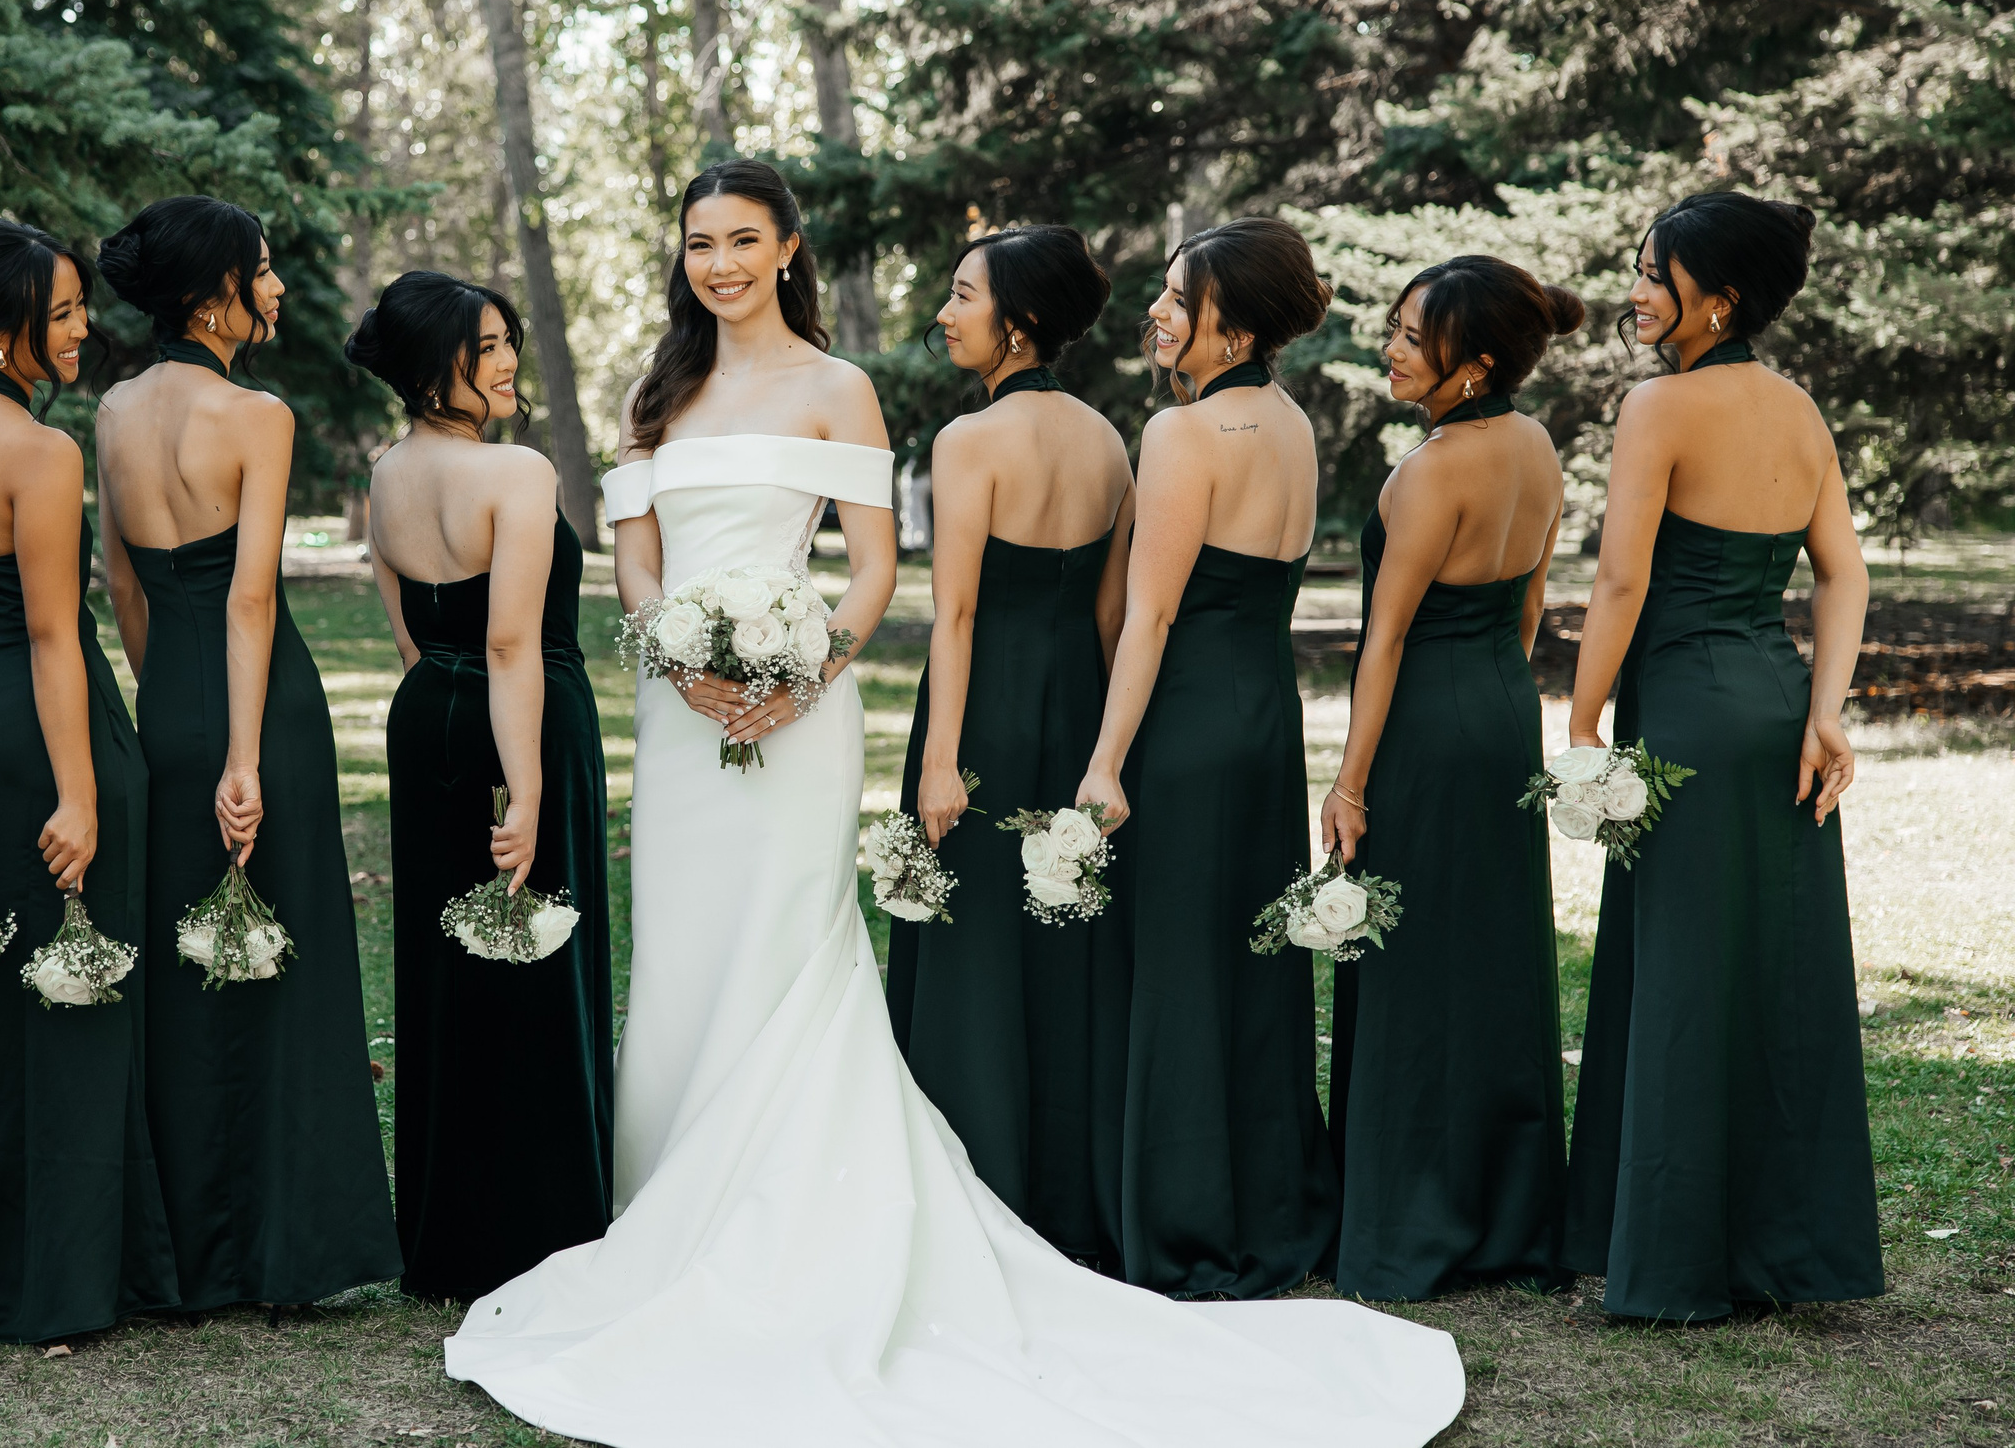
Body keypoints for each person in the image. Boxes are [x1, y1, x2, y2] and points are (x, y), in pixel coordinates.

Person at [444, 164, 1464, 1446]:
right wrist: (682, 660)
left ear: (788, 249)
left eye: (744, 241)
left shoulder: (841, 388)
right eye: (700, 243)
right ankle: (666, 1212)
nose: (719, 264)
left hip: (799, 710)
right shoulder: (657, 390)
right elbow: (636, 555)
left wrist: (800, 672)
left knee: (790, 955)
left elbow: (873, 571)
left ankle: (805, 1224)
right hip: (679, 714)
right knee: (683, 960)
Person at [1560, 191, 1881, 1321]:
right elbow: (1843, 572)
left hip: (1686, 715)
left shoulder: (1658, 407)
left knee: (1686, 979)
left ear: (1719, 299)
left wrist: (1583, 715)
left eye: (1657, 273)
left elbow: (1620, 580)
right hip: (1775, 706)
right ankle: (1785, 1248)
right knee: (1774, 979)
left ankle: (1676, 1257)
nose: (1638, 290)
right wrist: (1826, 712)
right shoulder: (1800, 413)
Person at [94, 196, 400, 1317]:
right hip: (259, 710)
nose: (275, 287)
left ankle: (187, 1250)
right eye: (263, 271)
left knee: (183, 971)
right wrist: (243, 753)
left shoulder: (114, 410)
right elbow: (253, 595)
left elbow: (123, 583)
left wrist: (171, 703)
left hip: (166, 696)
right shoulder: (253, 415)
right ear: (216, 291)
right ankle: (287, 1248)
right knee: (280, 964)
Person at [0, 217, 178, 1342]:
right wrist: (80, 794)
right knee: (71, 990)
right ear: (6, 324)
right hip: (45, 726)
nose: (81, 328)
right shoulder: (42, 453)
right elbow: (59, 636)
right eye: (60, 312)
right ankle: (60, 1277)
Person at [1073, 216, 1338, 1300]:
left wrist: (1102, 762)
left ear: (1233, 326)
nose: (1160, 313)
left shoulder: (1182, 437)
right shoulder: (1294, 424)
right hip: (1265, 722)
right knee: (1252, 968)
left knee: (1177, 967)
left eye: (1181, 299)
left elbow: (1151, 617)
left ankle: (1179, 1221)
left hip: (1183, 726)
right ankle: (1269, 1200)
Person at [1315, 257, 1581, 1301]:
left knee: (1411, 959)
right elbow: (1528, 608)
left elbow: (1381, 643)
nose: (1388, 345)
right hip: (1503, 712)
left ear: (1471, 365)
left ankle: (1407, 1216)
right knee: (1493, 958)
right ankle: (1506, 1216)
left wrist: (1347, 784)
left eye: (1409, 335)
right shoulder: (1536, 446)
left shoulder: (1428, 471)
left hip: (1425, 722)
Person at [353, 270, 612, 1302]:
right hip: (523, 716)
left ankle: (449, 1236)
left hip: (428, 716)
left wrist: (457, 725)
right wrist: (530, 789)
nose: (508, 362)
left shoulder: (386, 473)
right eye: (488, 346)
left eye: (508, 341)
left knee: (446, 969)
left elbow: (413, 627)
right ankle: (539, 1233)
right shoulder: (514, 474)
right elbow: (511, 643)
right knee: (531, 966)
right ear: (434, 366)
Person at [885, 223, 1135, 1268]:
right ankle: (1064, 1200)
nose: (945, 313)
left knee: (969, 944)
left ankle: (964, 1184)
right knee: (1060, 943)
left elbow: (955, 617)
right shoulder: (1112, 442)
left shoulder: (967, 441)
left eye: (962, 296)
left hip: (981, 711)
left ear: (1019, 321)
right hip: (1075, 707)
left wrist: (941, 760)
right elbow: (1113, 617)